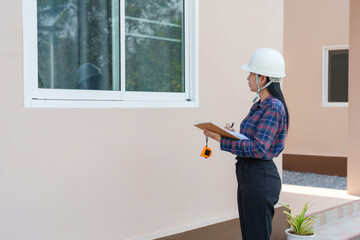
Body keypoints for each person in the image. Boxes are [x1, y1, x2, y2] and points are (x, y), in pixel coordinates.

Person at [203, 48, 289, 240]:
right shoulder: (260, 104)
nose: (247, 78)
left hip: (260, 178)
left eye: (251, 73)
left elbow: (259, 148)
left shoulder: (273, 107)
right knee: (250, 234)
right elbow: (254, 140)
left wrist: (221, 140)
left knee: (256, 236)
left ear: (262, 79)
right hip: (249, 175)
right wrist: (232, 135)